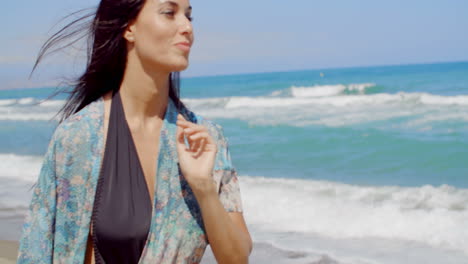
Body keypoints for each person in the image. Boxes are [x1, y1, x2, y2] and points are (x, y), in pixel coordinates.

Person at [17, 0, 252, 263]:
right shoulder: (79, 137)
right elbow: (38, 249)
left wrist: (204, 188)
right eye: (169, 13)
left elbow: (237, 258)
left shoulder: (205, 139)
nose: (186, 27)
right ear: (129, 28)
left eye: (189, 17)